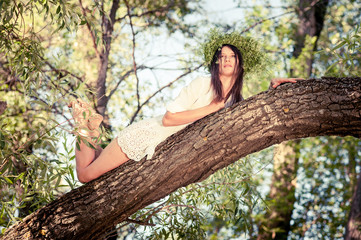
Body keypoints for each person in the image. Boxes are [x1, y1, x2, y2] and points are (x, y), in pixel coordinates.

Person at [69, 30, 301, 183]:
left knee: (98, 166)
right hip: (147, 135)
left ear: (239, 64)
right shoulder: (202, 84)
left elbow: (249, 112)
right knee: (86, 175)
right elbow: (169, 119)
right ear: (216, 63)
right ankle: (83, 124)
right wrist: (212, 107)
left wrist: (273, 88)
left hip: (154, 146)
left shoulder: (233, 101)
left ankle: (91, 130)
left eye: (232, 56)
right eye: (222, 56)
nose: (227, 58)